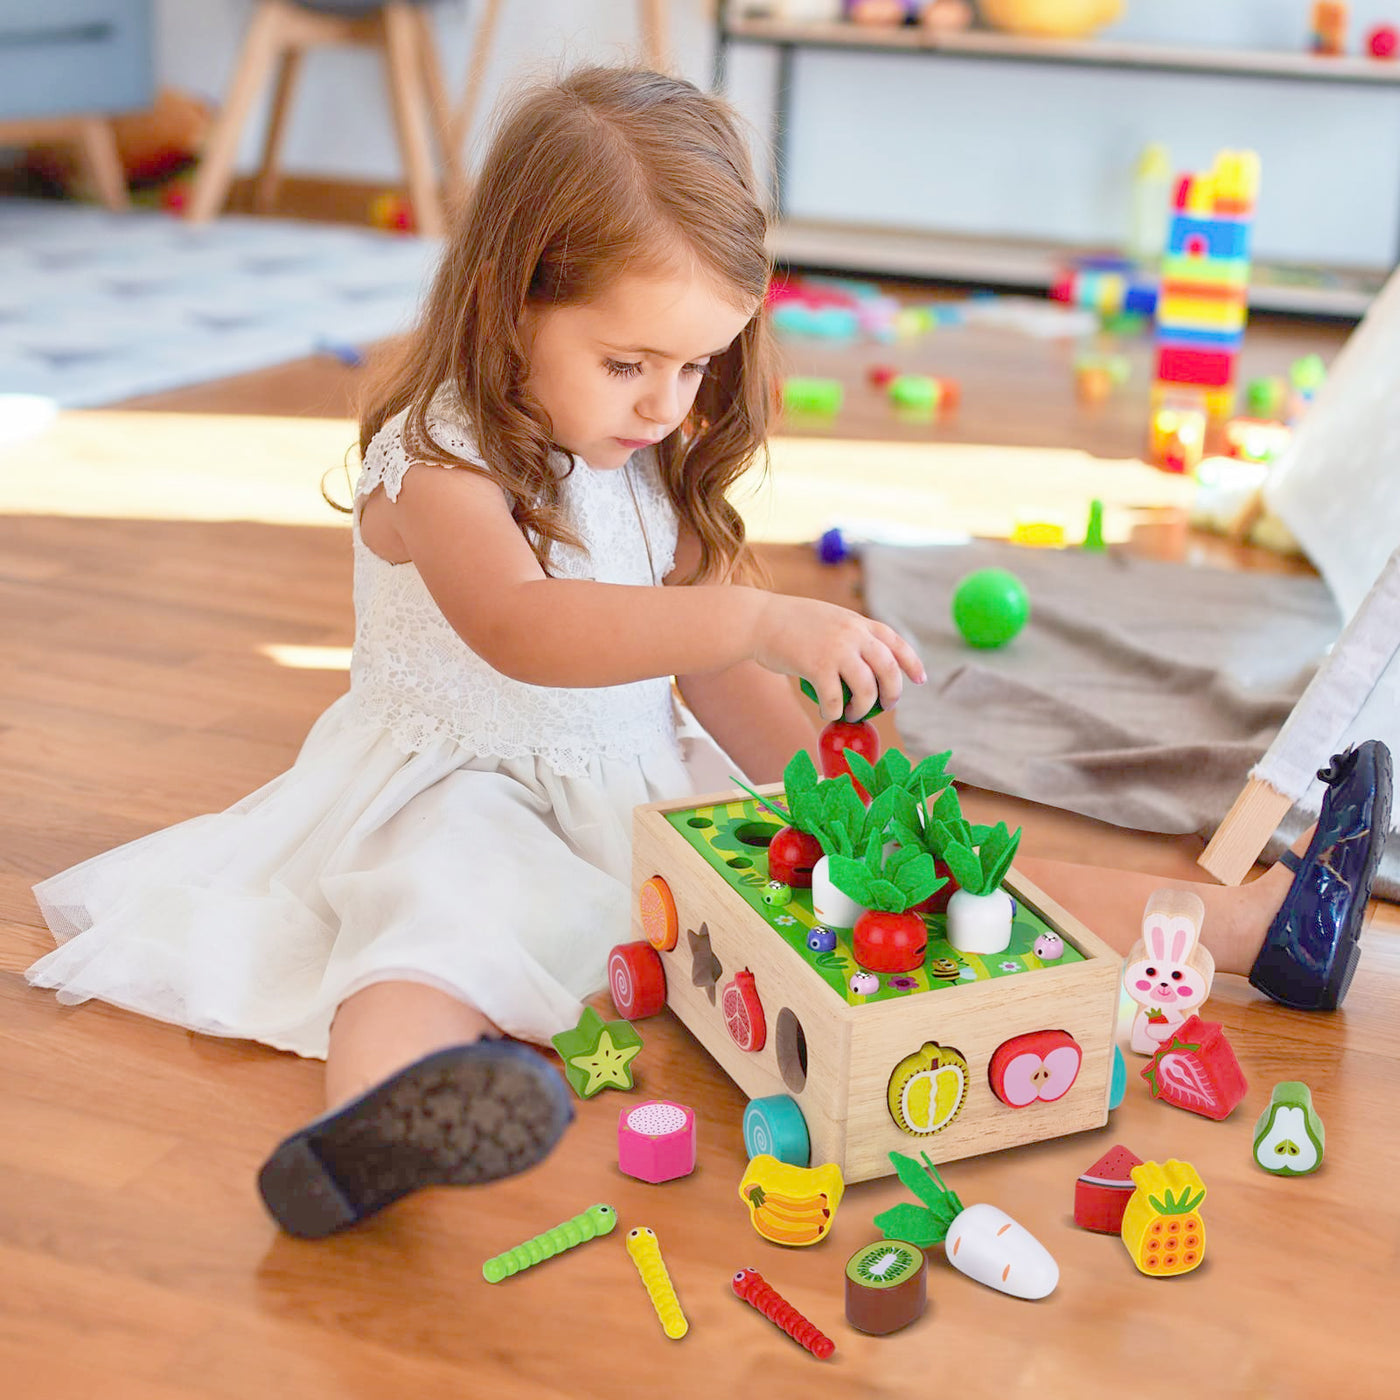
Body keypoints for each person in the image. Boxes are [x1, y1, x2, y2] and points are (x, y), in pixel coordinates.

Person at [25, 65, 1391, 1241]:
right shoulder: (438, 455)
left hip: (634, 791)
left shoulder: (650, 454)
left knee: (919, 872)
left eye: (696, 368)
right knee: (427, 932)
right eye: (630, 364)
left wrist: (841, 804)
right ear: (508, 300)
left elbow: (709, 680)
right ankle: (377, 1126)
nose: (668, 405)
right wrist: (751, 612)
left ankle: (1252, 926)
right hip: (456, 788)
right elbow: (527, 627)